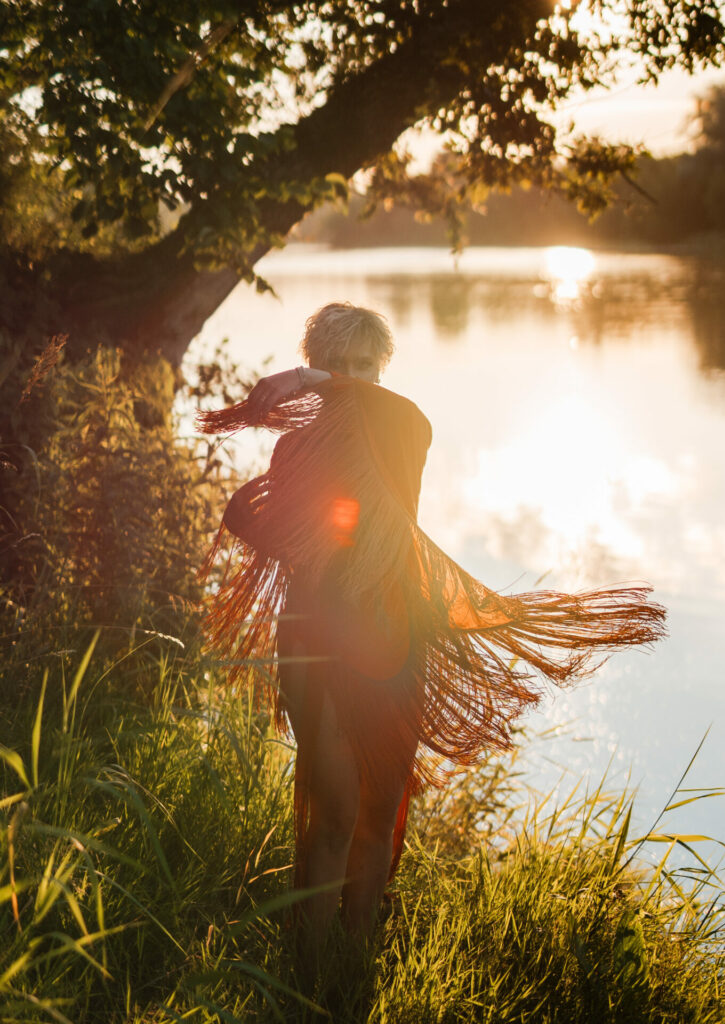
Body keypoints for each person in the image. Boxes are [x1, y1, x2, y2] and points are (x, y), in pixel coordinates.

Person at [197, 301, 665, 947]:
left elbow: (375, 439)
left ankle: (357, 948)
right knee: (331, 810)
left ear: (383, 371)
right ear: (316, 361)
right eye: (336, 363)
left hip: (390, 634)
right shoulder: (295, 445)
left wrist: (313, 380)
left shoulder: (402, 427)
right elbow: (307, 544)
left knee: (380, 803)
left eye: (365, 365)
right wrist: (247, 524)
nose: (351, 376)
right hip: (314, 635)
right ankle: (309, 961)